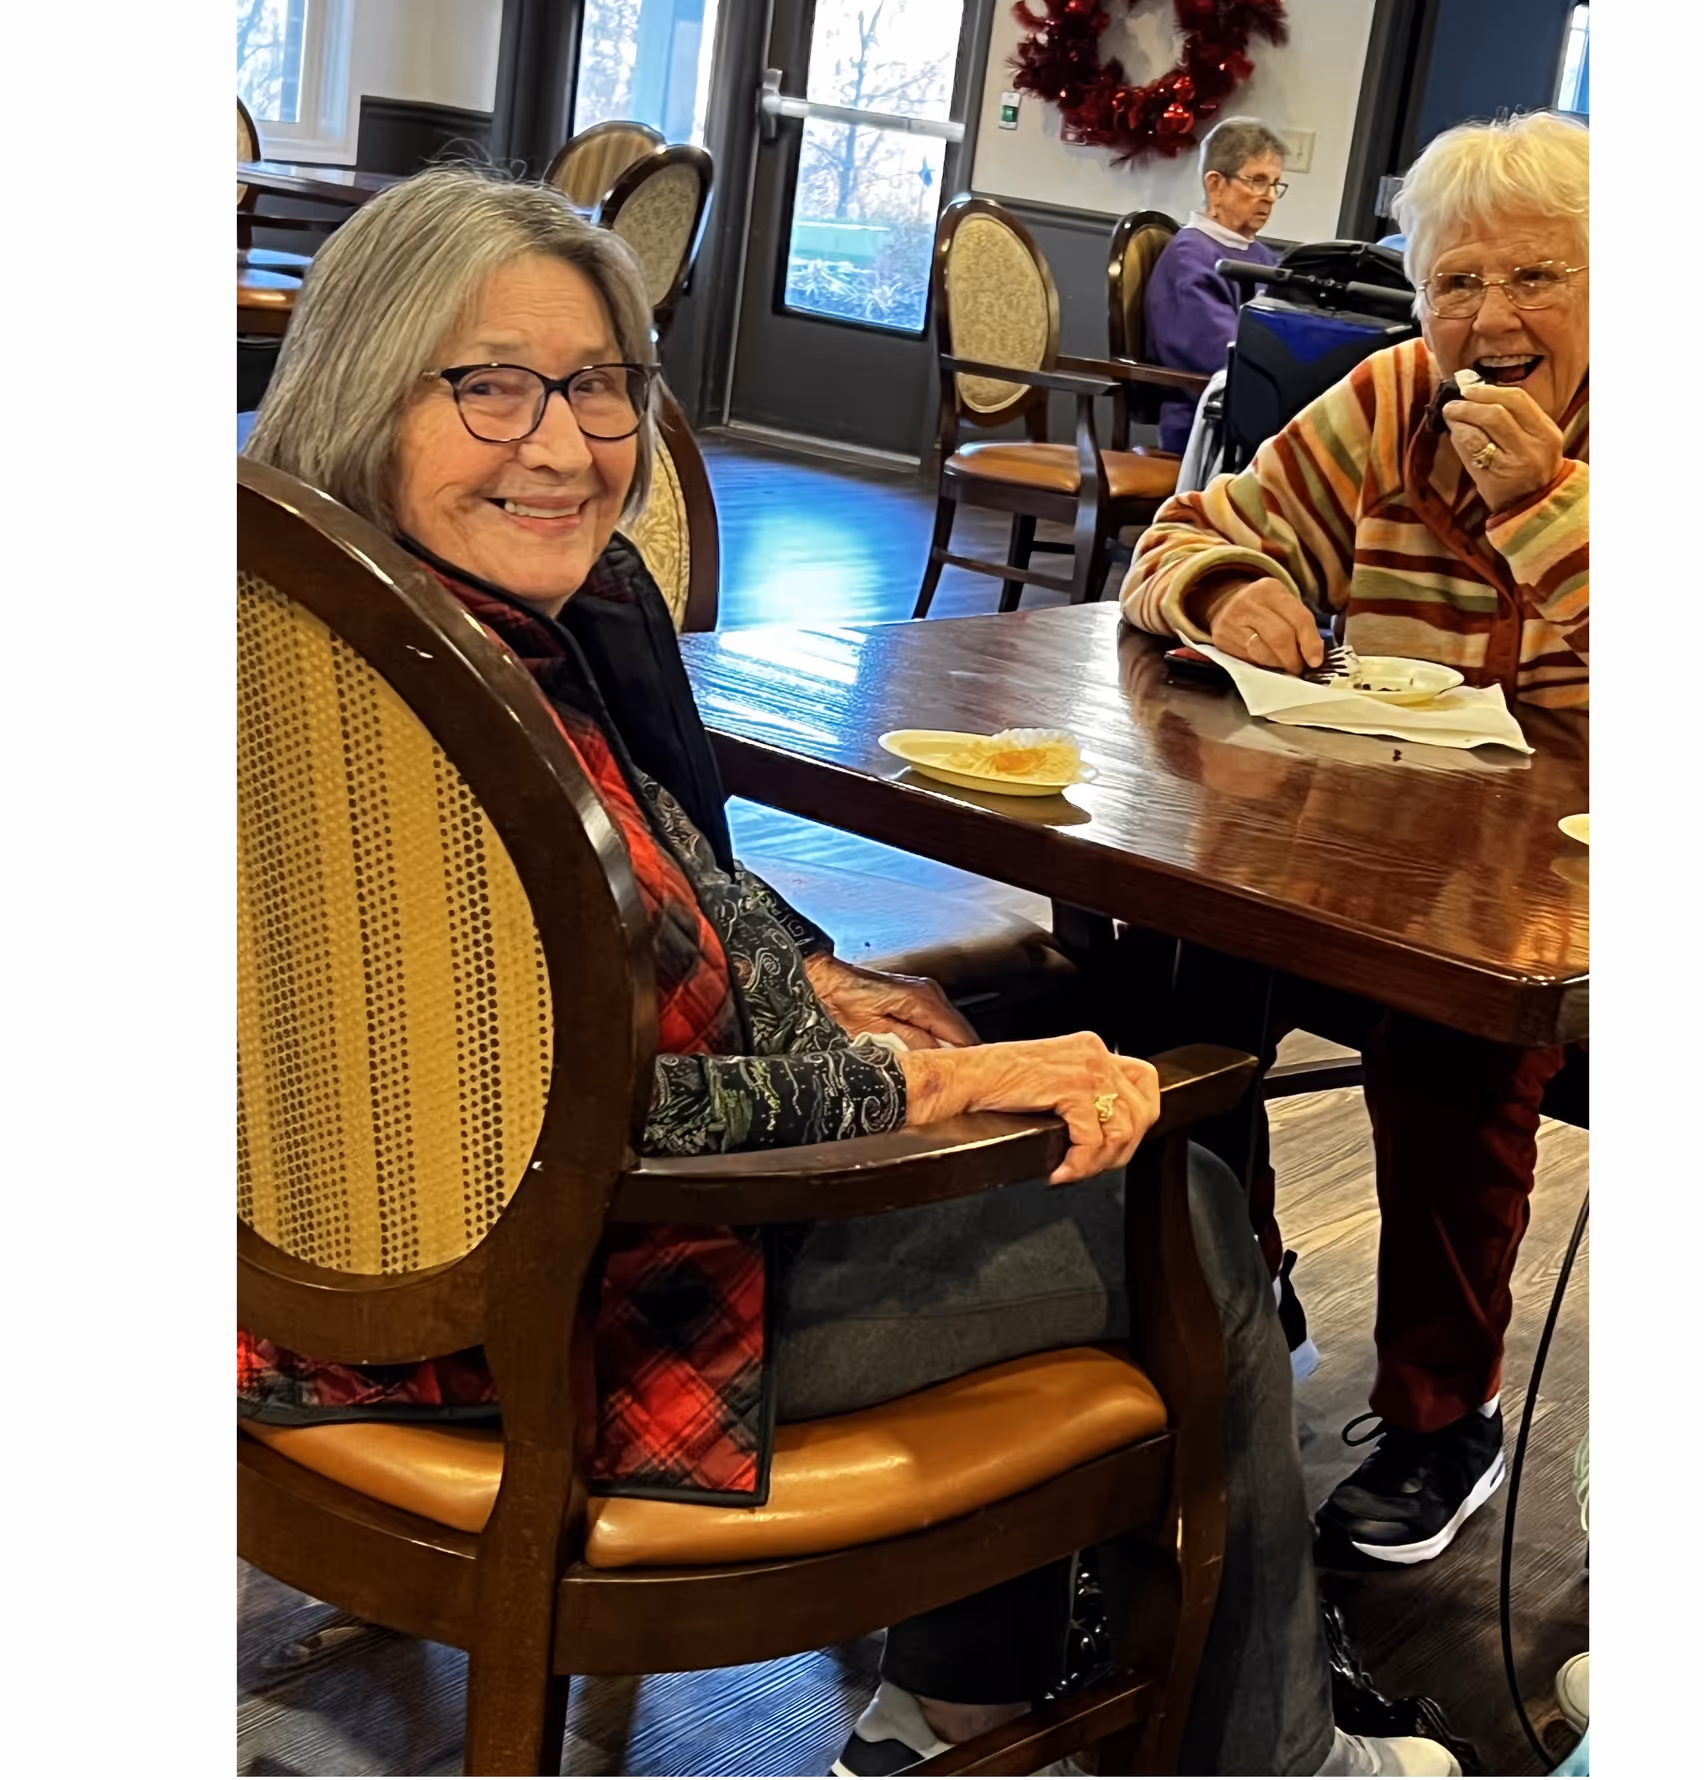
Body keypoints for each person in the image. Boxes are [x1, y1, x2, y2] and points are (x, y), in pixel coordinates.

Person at [237, 168, 1459, 1778]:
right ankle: (1276, 1758)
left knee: (1033, 1020)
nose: (563, 440)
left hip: (295, 1268)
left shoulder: (357, 629)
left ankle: (964, 1686)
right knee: (1183, 1206)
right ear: (364, 386)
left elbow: (671, 873)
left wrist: (825, 985)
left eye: (602, 382)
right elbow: (584, 1124)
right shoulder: (433, 725)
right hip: (531, 1317)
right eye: (488, 384)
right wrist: (927, 1084)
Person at [1118, 111, 1589, 1568]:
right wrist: (1228, 589)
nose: (1486, 322)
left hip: (1582, 890)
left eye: (1534, 282)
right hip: (1386, 843)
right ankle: (1234, 1285)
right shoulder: (1391, 402)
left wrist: (1545, 505)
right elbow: (1181, 534)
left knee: (1454, 1037)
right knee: (1172, 948)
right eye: (1455, 283)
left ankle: (1445, 1416)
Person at [1144, 117, 1288, 456]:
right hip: (1208, 421)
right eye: (1257, 181)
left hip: (1256, 407)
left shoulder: (1262, 255)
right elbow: (1217, 352)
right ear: (1215, 186)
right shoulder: (1190, 256)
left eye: (1275, 185)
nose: (1269, 197)